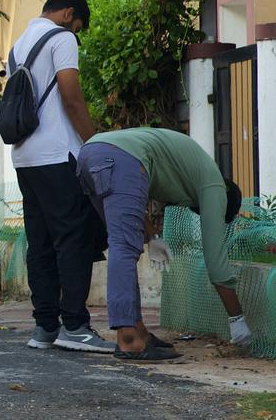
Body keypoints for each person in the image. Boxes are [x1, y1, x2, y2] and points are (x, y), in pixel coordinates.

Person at [77, 127, 250, 361]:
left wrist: (152, 237)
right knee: (124, 246)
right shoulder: (216, 185)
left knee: (123, 241)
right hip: (121, 158)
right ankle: (129, 338)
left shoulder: (191, 171)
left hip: (91, 153)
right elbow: (215, 260)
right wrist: (237, 319)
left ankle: (139, 332)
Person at [9, 0, 114, 353]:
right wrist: (93, 142)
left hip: (24, 157)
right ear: (69, 13)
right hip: (57, 155)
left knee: (39, 243)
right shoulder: (63, 38)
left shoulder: (19, 43)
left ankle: (44, 327)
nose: (78, 32)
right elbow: (70, 96)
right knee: (73, 240)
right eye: (79, 24)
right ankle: (76, 325)